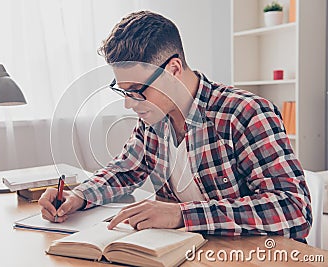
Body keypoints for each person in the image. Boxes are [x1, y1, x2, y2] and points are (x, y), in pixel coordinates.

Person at [39, 11, 311, 241]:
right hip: (187, 252)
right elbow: (124, 171)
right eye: (124, 91)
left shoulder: (245, 113)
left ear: (173, 69)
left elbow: (294, 209)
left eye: (137, 90)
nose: (129, 104)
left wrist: (182, 215)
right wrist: (77, 196)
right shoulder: (154, 119)